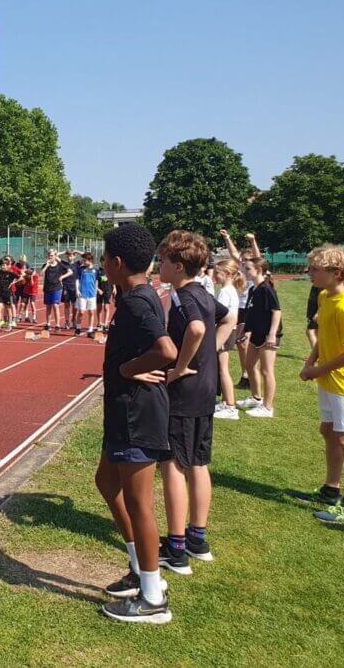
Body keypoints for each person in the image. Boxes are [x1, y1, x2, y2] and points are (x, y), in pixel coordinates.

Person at [94, 223, 177, 624]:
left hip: (137, 414)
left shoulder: (138, 302)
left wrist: (129, 369)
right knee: (106, 483)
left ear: (117, 262)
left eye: (104, 258)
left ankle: (153, 597)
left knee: (140, 503)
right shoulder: (131, 295)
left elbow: (166, 350)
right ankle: (139, 568)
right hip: (122, 410)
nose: (101, 265)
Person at [156, 231, 233, 574]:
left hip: (184, 392)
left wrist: (182, 365)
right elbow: (228, 318)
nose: (158, 266)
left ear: (178, 266)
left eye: (162, 261)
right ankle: (197, 538)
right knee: (198, 462)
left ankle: (176, 548)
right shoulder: (203, 292)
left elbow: (198, 329)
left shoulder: (183, 296)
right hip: (205, 390)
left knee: (173, 464)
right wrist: (211, 352)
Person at [298, 245, 344, 523]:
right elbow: (323, 334)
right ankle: (331, 491)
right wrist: (311, 361)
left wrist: (317, 370)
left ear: (336, 273)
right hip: (329, 377)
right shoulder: (324, 296)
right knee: (328, 431)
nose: (310, 272)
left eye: (315, 269)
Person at [237, 257, 282, 417]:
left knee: (266, 370)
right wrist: (244, 331)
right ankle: (256, 398)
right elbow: (251, 313)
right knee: (249, 365)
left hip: (267, 335)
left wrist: (272, 334)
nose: (244, 271)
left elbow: (276, 311)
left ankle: (268, 407)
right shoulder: (252, 290)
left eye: (248, 269)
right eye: (244, 268)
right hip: (256, 334)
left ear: (259, 270)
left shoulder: (266, 289)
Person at [220, 229, 262, 388]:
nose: (244, 262)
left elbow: (257, 256)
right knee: (239, 343)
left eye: (247, 260)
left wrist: (253, 241)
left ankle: (249, 374)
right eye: (242, 259)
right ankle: (246, 374)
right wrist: (227, 238)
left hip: (249, 309)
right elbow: (233, 254)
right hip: (238, 309)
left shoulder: (253, 270)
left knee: (244, 342)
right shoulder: (240, 269)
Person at [212, 259, 244, 420]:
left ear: (228, 274)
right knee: (222, 367)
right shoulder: (229, 290)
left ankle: (230, 406)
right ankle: (226, 402)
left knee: (223, 369)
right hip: (229, 331)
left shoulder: (226, 291)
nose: (214, 275)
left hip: (225, 332)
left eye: (217, 273)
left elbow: (219, 315)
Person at [40, 249, 70, 332]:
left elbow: (70, 271)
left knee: (55, 305)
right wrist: (46, 265)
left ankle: (57, 325)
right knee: (48, 307)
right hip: (47, 288)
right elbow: (41, 274)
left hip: (56, 288)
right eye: (49, 255)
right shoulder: (45, 265)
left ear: (55, 256)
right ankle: (48, 324)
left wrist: (62, 277)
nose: (50, 257)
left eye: (52, 255)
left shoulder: (60, 265)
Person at [76, 252, 99, 338]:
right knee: (81, 312)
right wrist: (77, 290)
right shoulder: (81, 269)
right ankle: (78, 328)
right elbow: (77, 280)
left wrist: (95, 291)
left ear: (90, 260)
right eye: (83, 260)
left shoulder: (95, 270)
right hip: (82, 294)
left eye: (85, 260)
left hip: (92, 294)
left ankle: (90, 330)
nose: (83, 262)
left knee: (91, 312)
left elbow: (96, 281)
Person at [0, 256, 19, 331]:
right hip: (0, 293)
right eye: (2, 265)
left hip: (8, 294)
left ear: (8, 265)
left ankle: (10, 324)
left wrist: (13, 282)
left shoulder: (10, 273)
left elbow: (20, 277)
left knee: (8, 309)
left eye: (5, 265)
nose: (3, 267)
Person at [97, 264, 114, 332]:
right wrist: (98, 289)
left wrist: (114, 288)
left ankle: (105, 324)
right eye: (102, 261)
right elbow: (95, 281)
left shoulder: (110, 270)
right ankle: (99, 323)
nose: (103, 263)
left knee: (106, 307)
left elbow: (113, 279)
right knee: (99, 307)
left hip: (108, 290)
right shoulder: (98, 271)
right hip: (100, 291)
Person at [306, 284, 322, 351]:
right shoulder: (316, 285)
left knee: (310, 331)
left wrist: (318, 312)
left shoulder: (322, 286)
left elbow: (325, 301)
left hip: (317, 313)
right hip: (313, 312)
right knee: (315, 332)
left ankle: (317, 354)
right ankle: (319, 353)